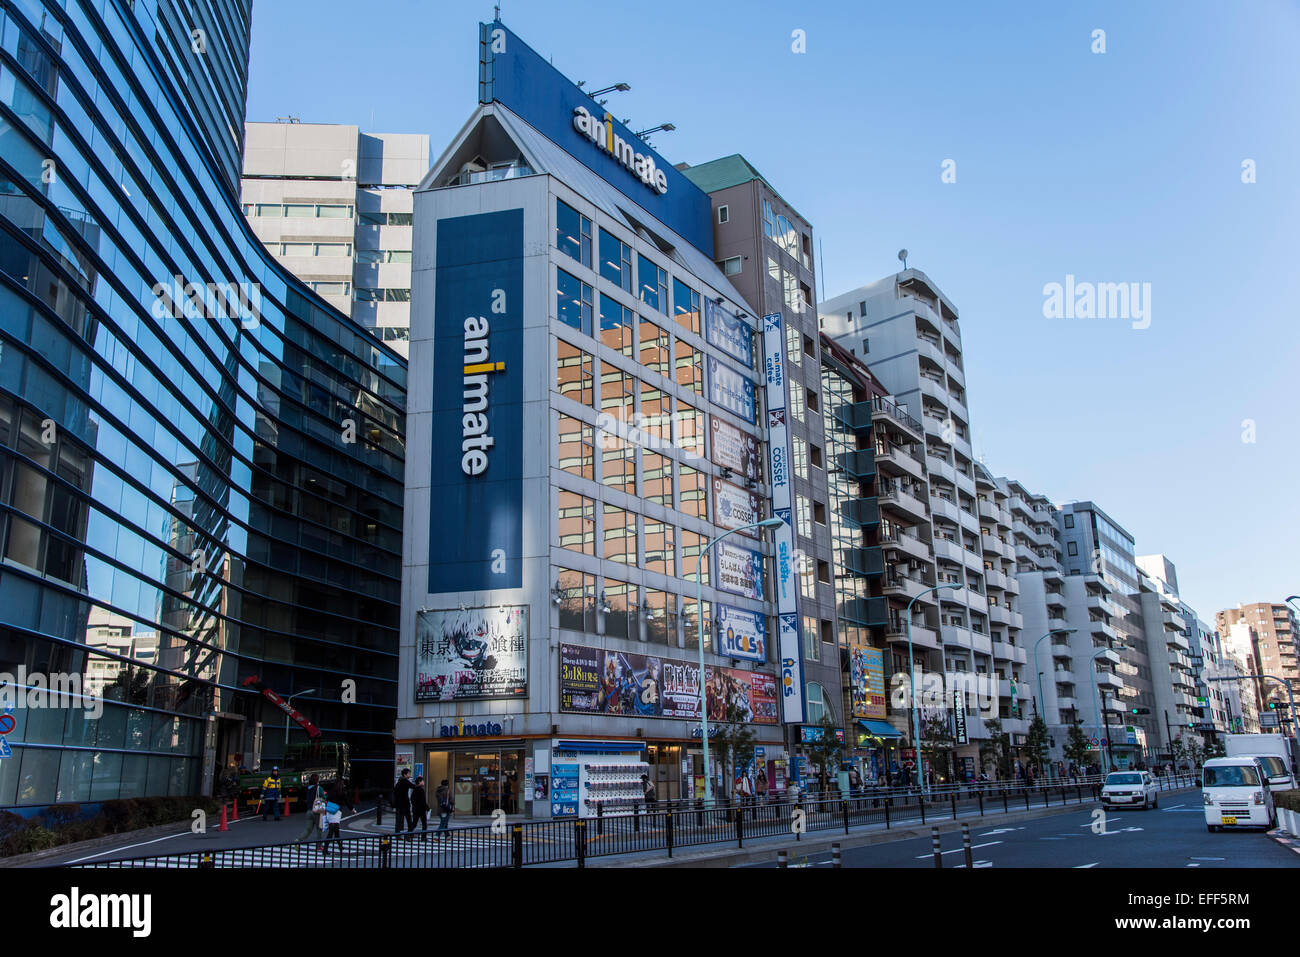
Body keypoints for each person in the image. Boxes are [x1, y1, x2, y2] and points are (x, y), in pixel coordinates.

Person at [318, 780, 353, 855]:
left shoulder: (331, 792)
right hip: (337, 812)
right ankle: (325, 849)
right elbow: (347, 802)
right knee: (332, 830)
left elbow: (326, 799)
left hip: (330, 811)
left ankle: (339, 846)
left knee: (336, 829)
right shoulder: (342, 793)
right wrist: (352, 809)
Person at [296, 773, 325, 843]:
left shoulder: (308, 788)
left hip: (309, 811)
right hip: (317, 811)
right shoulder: (319, 788)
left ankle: (298, 840)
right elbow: (324, 797)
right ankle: (319, 845)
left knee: (308, 829)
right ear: (317, 780)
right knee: (319, 829)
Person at [392, 767, 414, 834]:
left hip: (399, 804)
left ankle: (398, 833)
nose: (409, 775)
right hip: (404, 803)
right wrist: (419, 784)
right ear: (405, 774)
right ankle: (409, 833)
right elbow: (413, 786)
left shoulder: (399, 782)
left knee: (399, 819)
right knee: (408, 819)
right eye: (408, 774)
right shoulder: (404, 781)